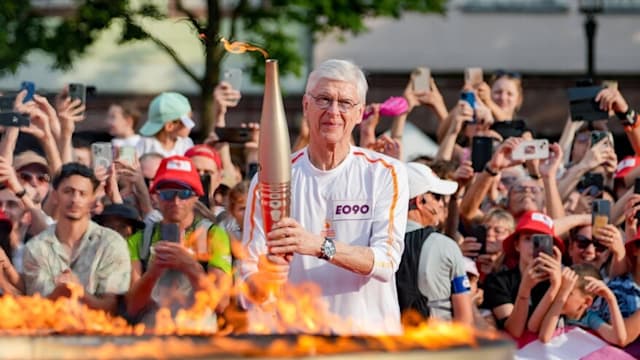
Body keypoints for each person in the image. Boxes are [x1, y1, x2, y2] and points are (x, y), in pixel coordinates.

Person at [240, 59, 409, 335]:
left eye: (345, 103)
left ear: (359, 114)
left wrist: (319, 245)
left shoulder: (384, 173)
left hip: (368, 343)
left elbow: (386, 261)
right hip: (298, 341)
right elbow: (248, 273)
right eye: (324, 99)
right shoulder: (269, 179)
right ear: (306, 106)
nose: (333, 111)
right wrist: (264, 279)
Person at [125, 155, 232, 320]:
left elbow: (221, 304)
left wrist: (191, 266)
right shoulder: (140, 239)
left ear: (196, 196)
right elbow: (132, 306)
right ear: (156, 196)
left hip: (198, 335)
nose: (175, 201)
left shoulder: (213, 235)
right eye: (168, 193)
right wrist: (153, 271)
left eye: (184, 193)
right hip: (151, 335)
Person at [22, 163, 131, 314]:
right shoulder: (36, 248)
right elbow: (37, 308)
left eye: (82, 193)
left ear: (93, 199)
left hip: (100, 333)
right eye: (68, 191)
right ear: (55, 196)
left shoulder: (111, 243)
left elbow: (111, 308)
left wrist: (78, 292)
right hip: (49, 331)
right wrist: (59, 292)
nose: (75, 199)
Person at [395, 162, 473, 325]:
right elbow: (465, 320)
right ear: (420, 201)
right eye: (437, 197)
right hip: (439, 344)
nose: (441, 204)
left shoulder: (372, 242)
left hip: (389, 345)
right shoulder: (445, 246)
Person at [538, 264, 626, 346]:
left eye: (568, 293)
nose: (560, 295)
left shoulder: (589, 319)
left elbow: (618, 339)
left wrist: (611, 299)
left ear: (587, 302)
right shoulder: (556, 314)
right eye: (560, 290)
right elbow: (544, 337)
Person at [136, 92, 195, 158]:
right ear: (169, 126)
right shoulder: (146, 143)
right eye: (188, 120)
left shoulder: (186, 143)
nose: (190, 125)